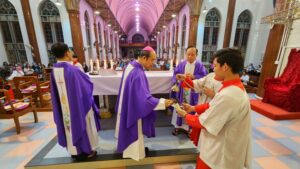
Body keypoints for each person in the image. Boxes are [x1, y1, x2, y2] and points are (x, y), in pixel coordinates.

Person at [176, 48, 252, 169]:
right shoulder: (232, 88)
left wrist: (185, 115)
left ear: (225, 67)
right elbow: (212, 105)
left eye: (215, 65)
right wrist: (193, 108)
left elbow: (204, 122)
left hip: (220, 152)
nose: (213, 68)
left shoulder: (230, 94)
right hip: (221, 143)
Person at [115, 46, 174, 161]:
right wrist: (162, 102)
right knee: (134, 131)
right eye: (152, 60)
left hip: (127, 106)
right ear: (143, 58)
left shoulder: (130, 65)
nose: (153, 63)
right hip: (133, 110)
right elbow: (144, 100)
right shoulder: (138, 73)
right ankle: (135, 154)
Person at [50, 43, 100, 160]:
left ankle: (73, 150)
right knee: (81, 123)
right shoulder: (73, 70)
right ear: (67, 53)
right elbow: (86, 87)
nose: (72, 53)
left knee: (68, 125)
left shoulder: (54, 70)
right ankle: (85, 151)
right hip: (77, 107)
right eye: (70, 51)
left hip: (64, 108)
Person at [170, 46, 207, 136]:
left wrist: (193, 77)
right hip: (182, 91)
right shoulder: (182, 64)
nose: (190, 56)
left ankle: (189, 128)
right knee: (180, 107)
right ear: (186, 54)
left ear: (196, 55)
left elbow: (204, 77)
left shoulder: (200, 66)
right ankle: (178, 126)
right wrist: (177, 79)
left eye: (192, 54)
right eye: (188, 54)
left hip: (193, 92)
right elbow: (175, 74)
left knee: (191, 108)